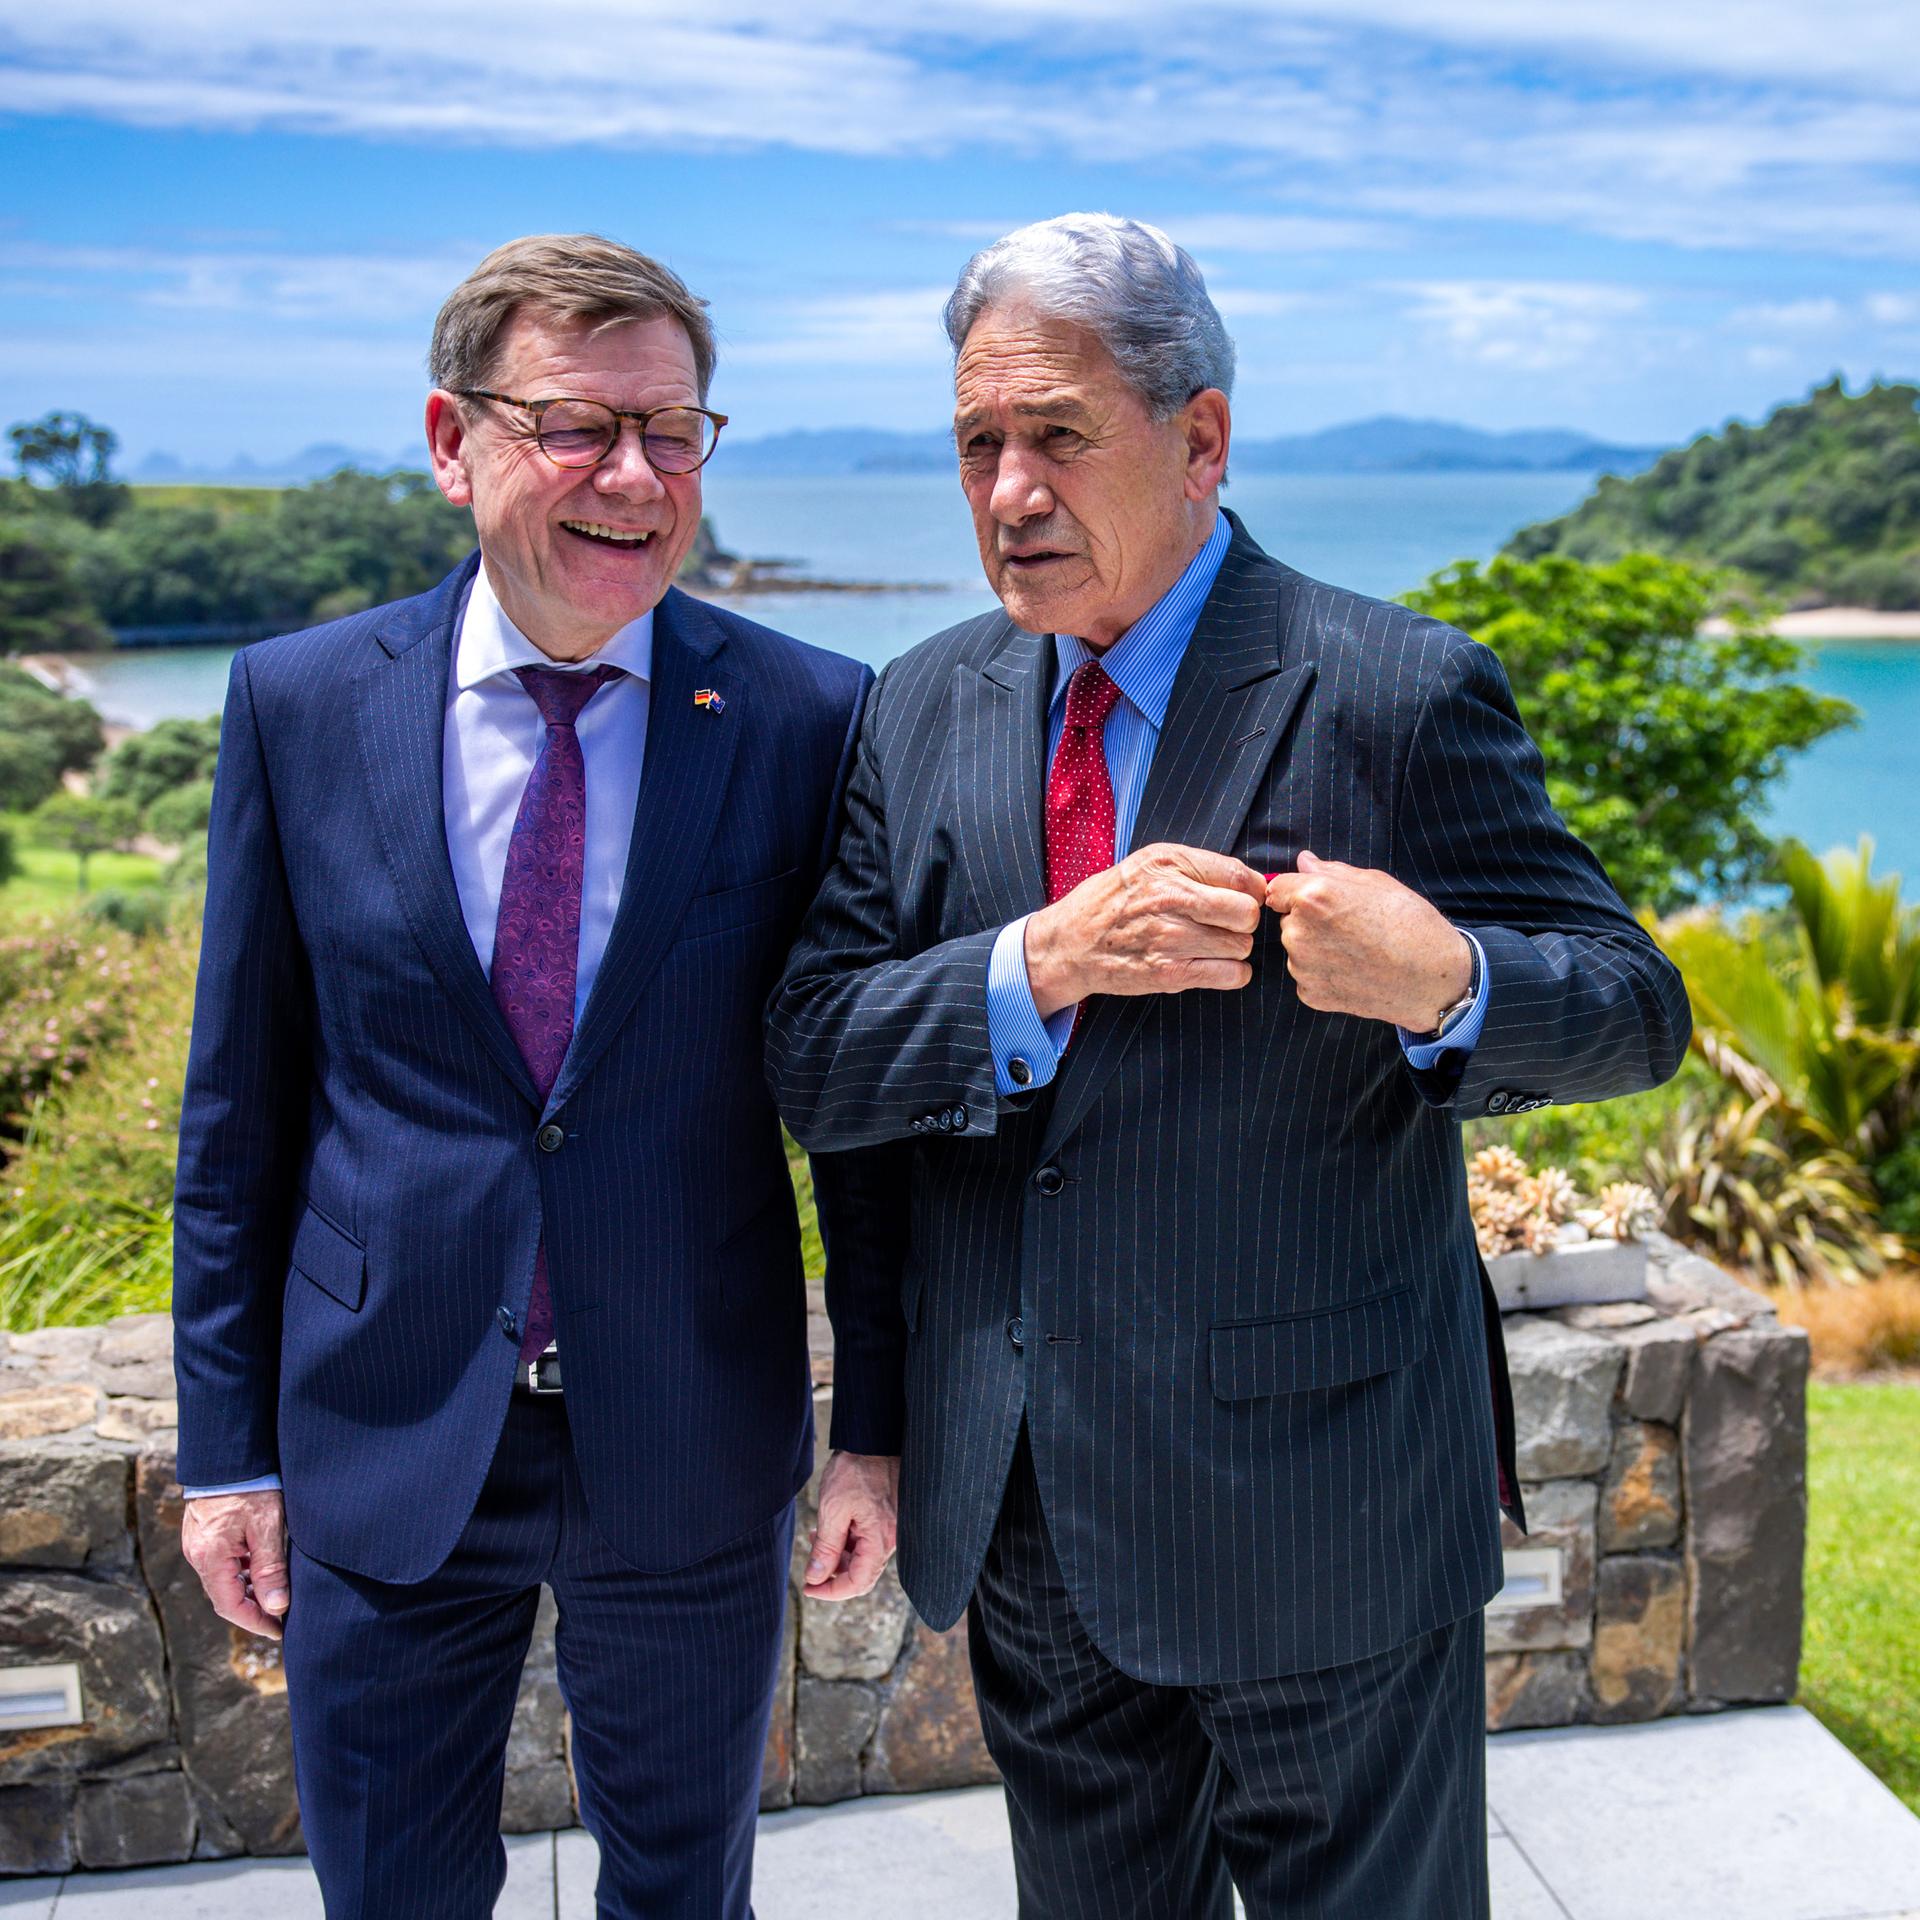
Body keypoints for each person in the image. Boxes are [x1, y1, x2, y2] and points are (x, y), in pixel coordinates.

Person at [766, 213, 1691, 1918]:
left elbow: (1637, 1005)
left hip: (1326, 1522)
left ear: (1200, 439)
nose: (1008, 492)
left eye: (1057, 436)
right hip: (1035, 1521)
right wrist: (1039, 962)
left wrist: (1449, 980)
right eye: (978, 444)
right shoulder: (920, 707)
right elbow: (817, 1063)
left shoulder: (1397, 689)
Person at [171, 233, 904, 1920]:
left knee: (682, 1893)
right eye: (578, 427)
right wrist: (229, 1454)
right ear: (454, 440)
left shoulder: (805, 713)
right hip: (384, 1424)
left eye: (675, 432)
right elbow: (241, 1112)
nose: (633, 477)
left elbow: (856, 1115)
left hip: (689, 1427)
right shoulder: (298, 704)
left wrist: (871, 1426)